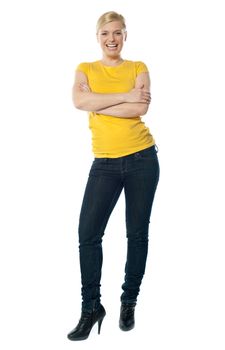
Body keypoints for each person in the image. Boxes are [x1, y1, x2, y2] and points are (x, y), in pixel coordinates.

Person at [67, 11, 160, 341]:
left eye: (118, 32)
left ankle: (128, 300)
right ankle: (91, 307)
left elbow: (140, 109)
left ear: (125, 36)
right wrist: (123, 96)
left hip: (142, 159)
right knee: (88, 234)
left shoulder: (138, 68)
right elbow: (79, 100)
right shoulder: (85, 69)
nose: (112, 38)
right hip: (104, 163)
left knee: (136, 234)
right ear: (98, 36)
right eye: (106, 32)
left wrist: (98, 103)